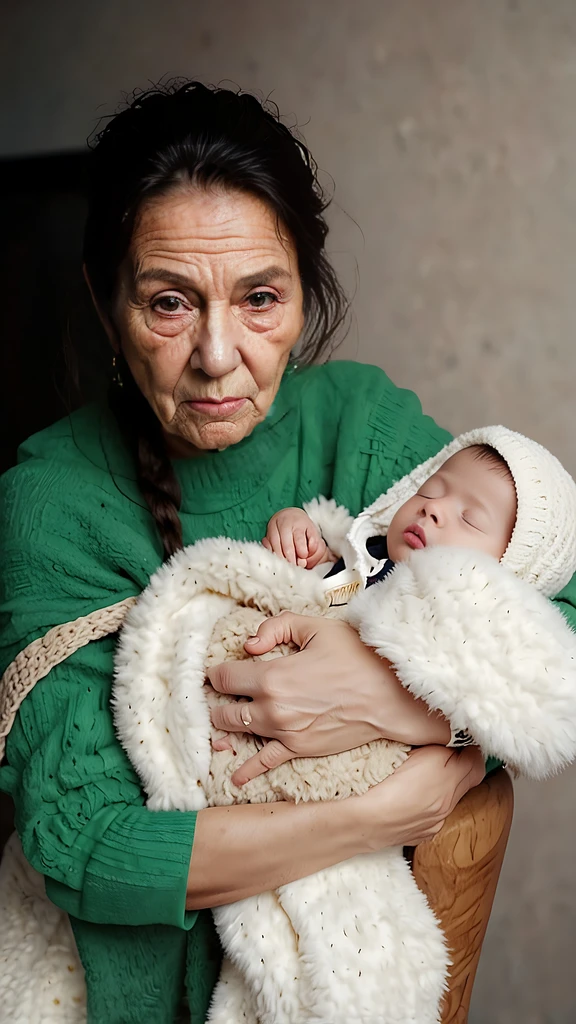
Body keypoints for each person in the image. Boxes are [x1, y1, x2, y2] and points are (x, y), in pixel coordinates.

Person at [0, 79, 565, 1023]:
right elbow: (90, 848)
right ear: (107, 312)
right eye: (170, 303)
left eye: (261, 298)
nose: (219, 354)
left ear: (307, 294)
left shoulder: (363, 424)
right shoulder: (49, 502)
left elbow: (559, 615)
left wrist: (375, 693)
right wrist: (381, 813)